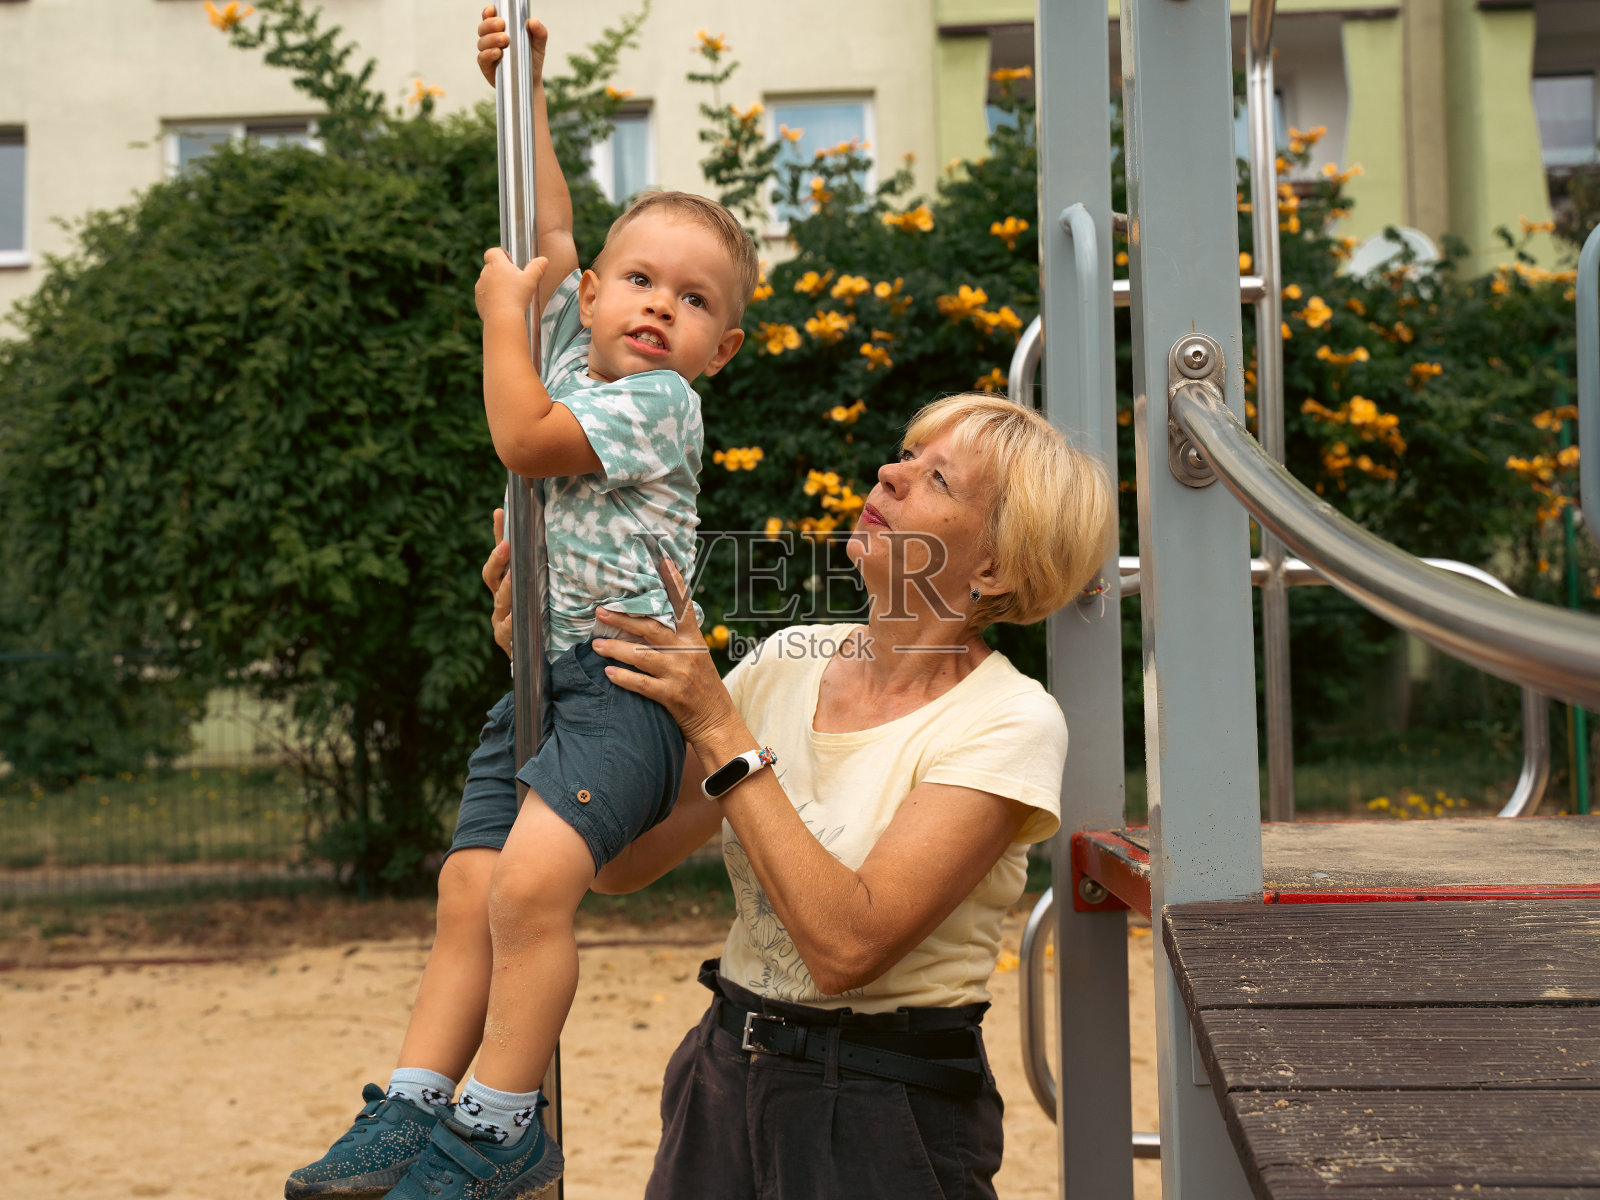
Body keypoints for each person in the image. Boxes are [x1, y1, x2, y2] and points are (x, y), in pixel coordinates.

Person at [283, 10, 757, 1200]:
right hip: (543, 682)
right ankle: (412, 1105)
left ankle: (501, 1123)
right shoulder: (567, 340)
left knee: (537, 888)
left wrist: (501, 317)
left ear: (720, 349)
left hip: (630, 693)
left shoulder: (658, 406)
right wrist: (526, 89)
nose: (658, 308)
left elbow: (523, 439)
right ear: (590, 295)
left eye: (694, 302)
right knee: (467, 888)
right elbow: (544, 225)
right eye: (638, 280)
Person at [491, 392, 1115, 1199]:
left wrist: (719, 724)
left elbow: (845, 949)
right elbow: (618, 860)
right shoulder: (788, 658)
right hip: (722, 1077)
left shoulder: (1009, 720)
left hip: (883, 1110)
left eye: (937, 480)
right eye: (904, 454)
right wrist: (545, 670)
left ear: (994, 566)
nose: (890, 474)